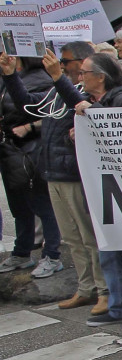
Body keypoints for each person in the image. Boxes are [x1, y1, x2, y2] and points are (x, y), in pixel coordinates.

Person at [56, 54, 122, 334]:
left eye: (84, 72)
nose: (80, 77)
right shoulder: (98, 103)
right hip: (105, 188)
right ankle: (118, 306)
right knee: (109, 250)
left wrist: (93, 121)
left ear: (100, 77)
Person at [0, 44, 108, 311]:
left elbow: (81, 107)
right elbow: (30, 108)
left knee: (88, 235)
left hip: (74, 172)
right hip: (54, 170)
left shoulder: (84, 92)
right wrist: (11, 75)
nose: (60, 63)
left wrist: (58, 78)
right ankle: (86, 288)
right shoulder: (57, 90)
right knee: (72, 237)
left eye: (65, 60)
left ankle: (104, 288)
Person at [0, 56, 62, 278]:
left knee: (42, 205)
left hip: (32, 151)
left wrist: (28, 128)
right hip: (9, 151)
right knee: (19, 207)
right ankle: (21, 252)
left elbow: (44, 112)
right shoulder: (6, 76)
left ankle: (52, 255)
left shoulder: (40, 78)